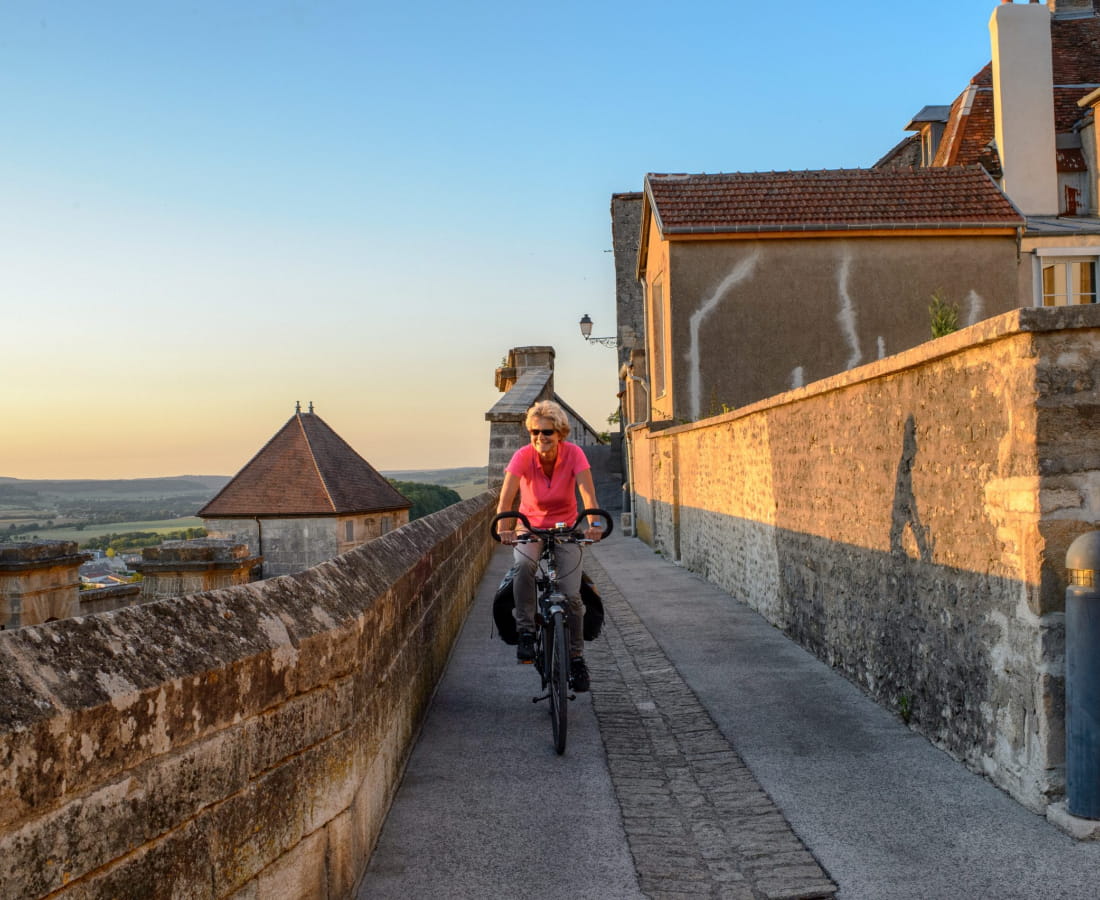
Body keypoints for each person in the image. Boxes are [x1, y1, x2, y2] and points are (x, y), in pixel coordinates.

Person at [496, 400, 603, 692]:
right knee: (523, 566)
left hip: (565, 527)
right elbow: (506, 501)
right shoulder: (522, 457)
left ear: (560, 433)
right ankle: (527, 632)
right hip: (529, 526)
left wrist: (593, 526)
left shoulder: (574, 455)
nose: (540, 438)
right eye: (534, 432)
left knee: (571, 597)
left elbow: (588, 496)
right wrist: (504, 529)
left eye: (546, 432)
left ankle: (577, 657)